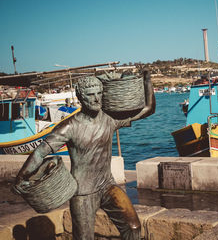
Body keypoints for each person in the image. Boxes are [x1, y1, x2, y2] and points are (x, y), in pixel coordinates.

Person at [15, 69, 155, 240]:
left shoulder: (110, 119)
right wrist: (22, 176)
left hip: (107, 185)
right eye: (90, 95)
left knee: (133, 227)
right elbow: (40, 152)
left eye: (99, 93)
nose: (96, 99)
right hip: (82, 193)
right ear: (80, 98)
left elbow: (148, 109)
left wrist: (147, 80)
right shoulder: (70, 127)